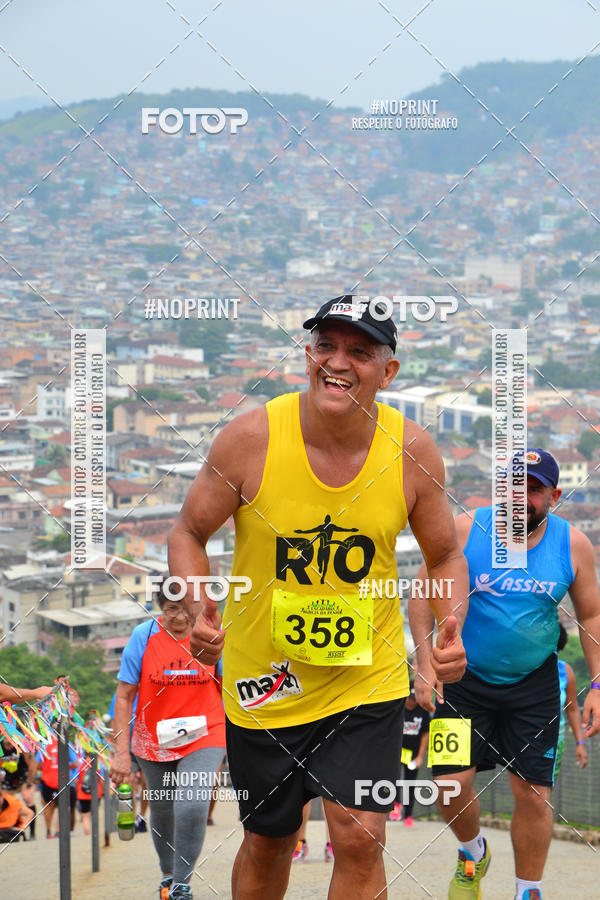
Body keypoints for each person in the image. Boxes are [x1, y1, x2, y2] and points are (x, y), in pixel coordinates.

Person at [168, 295, 468, 900]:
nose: (338, 362)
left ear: (388, 372)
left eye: (359, 352)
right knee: (270, 840)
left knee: (360, 837)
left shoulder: (412, 451)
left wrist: (448, 624)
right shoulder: (250, 438)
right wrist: (200, 604)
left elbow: (444, 556)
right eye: (326, 347)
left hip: (367, 679)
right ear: (307, 356)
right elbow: (188, 532)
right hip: (266, 682)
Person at [410, 448, 600, 900]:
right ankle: (473, 851)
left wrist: (596, 683)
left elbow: (591, 616)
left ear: (553, 495)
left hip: (534, 685)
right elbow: (421, 595)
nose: (520, 498)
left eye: (533, 489)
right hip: (461, 681)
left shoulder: (572, 544)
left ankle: (527, 890)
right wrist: (424, 664)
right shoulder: (463, 530)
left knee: (534, 794)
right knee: (448, 787)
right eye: (513, 486)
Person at [109, 584, 226, 900]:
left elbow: (227, 685)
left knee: (193, 802)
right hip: (152, 735)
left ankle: (182, 884)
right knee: (161, 807)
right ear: (160, 607)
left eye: (185, 608)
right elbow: (123, 696)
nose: (178, 616)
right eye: (170, 608)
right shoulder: (144, 637)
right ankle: (168, 874)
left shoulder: (212, 634)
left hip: (206, 731)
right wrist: (121, 754)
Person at [388, 686, 430, 826]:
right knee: (393, 779)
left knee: (409, 784)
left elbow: (425, 733)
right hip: (396, 752)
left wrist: (420, 756)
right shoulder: (398, 709)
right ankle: (396, 805)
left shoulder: (422, 710)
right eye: (409, 699)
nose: (411, 702)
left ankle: (408, 815)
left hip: (413, 755)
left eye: (414, 700)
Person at [555, 624, 588, 776]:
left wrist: (580, 743)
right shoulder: (523, 668)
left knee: (543, 792)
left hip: (555, 742)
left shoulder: (564, 671)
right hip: (523, 739)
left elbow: (573, 708)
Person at [35, 731, 79, 837]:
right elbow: (75, 763)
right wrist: (63, 765)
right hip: (63, 780)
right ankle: (58, 830)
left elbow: (37, 765)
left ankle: (48, 831)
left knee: (48, 806)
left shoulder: (44, 744)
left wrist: (48, 766)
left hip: (47, 780)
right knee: (62, 806)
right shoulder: (66, 744)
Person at [0, 769, 33, 843]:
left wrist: (22, 828)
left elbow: (30, 813)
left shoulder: (13, 802)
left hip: (10, 831)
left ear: (2, 796)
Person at [76, 752, 105, 835]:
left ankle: (87, 833)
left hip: (83, 794)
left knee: (85, 816)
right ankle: (95, 834)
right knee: (95, 814)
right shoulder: (99, 764)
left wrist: (77, 790)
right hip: (96, 793)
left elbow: (76, 780)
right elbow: (102, 780)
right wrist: (103, 792)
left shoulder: (81, 764)